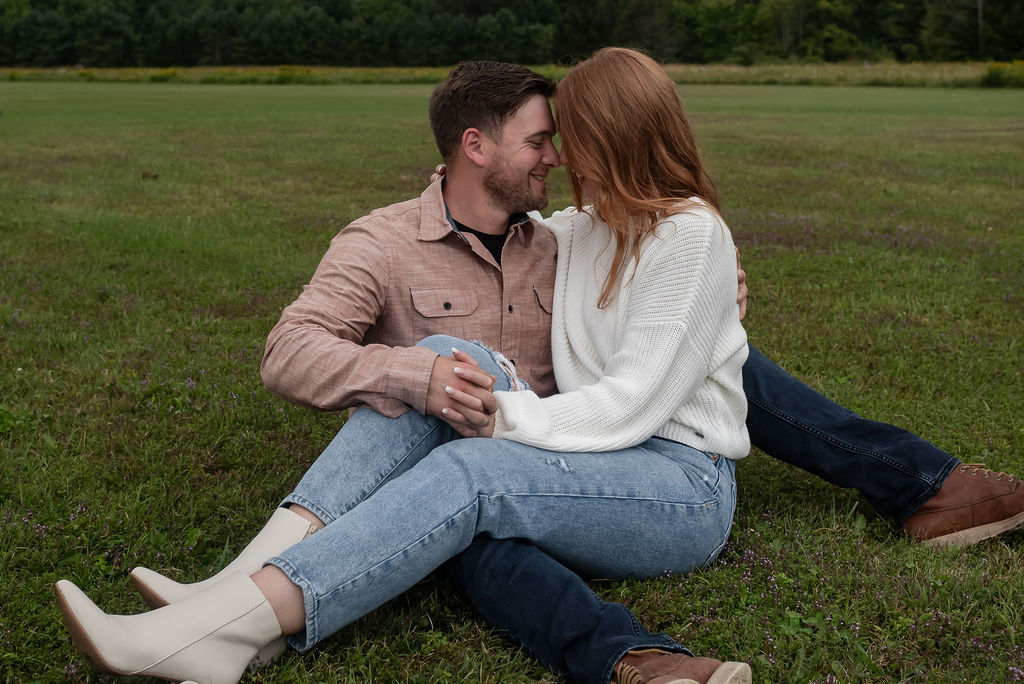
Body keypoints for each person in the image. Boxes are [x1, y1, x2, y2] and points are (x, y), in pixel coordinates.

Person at [54, 50, 1023, 684]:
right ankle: (238, 600)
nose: (553, 159)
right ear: (474, 149)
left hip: (636, 460)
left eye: (568, 140)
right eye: (539, 141)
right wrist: (420, 382)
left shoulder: (606, 233)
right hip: (556, 448)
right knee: (442, 367)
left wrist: (708, 298)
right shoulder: (427, 239)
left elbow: (638, 387)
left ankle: (226, 620)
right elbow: (291, 352)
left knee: (471, 466)